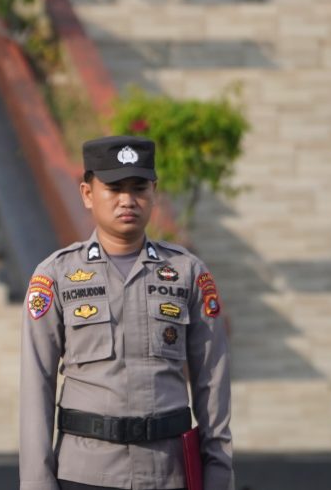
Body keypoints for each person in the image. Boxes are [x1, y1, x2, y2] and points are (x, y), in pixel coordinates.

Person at [19, 136, 233, 490]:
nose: (127, 200)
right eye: (114, 188)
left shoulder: (187, 273)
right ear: (87, 193)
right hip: (85, 475)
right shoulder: (55, 275)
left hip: (167, 474)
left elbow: (213, 381)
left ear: (154, 192)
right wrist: (36, 483)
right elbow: (36, 384)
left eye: (139, 188)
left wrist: (219, 474)